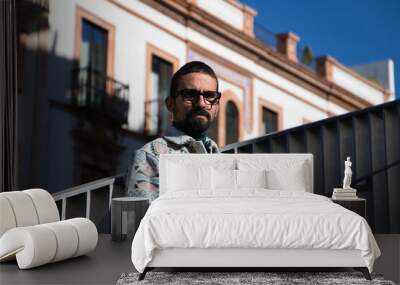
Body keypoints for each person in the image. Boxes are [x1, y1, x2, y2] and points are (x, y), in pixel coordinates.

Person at [125, 61, 221, 202]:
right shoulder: (151, 156)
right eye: (190, 95)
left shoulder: (219, 157)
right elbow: (143, 219)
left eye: (209, 95)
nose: (201, 103)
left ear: (217, 107)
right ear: (170, 104)